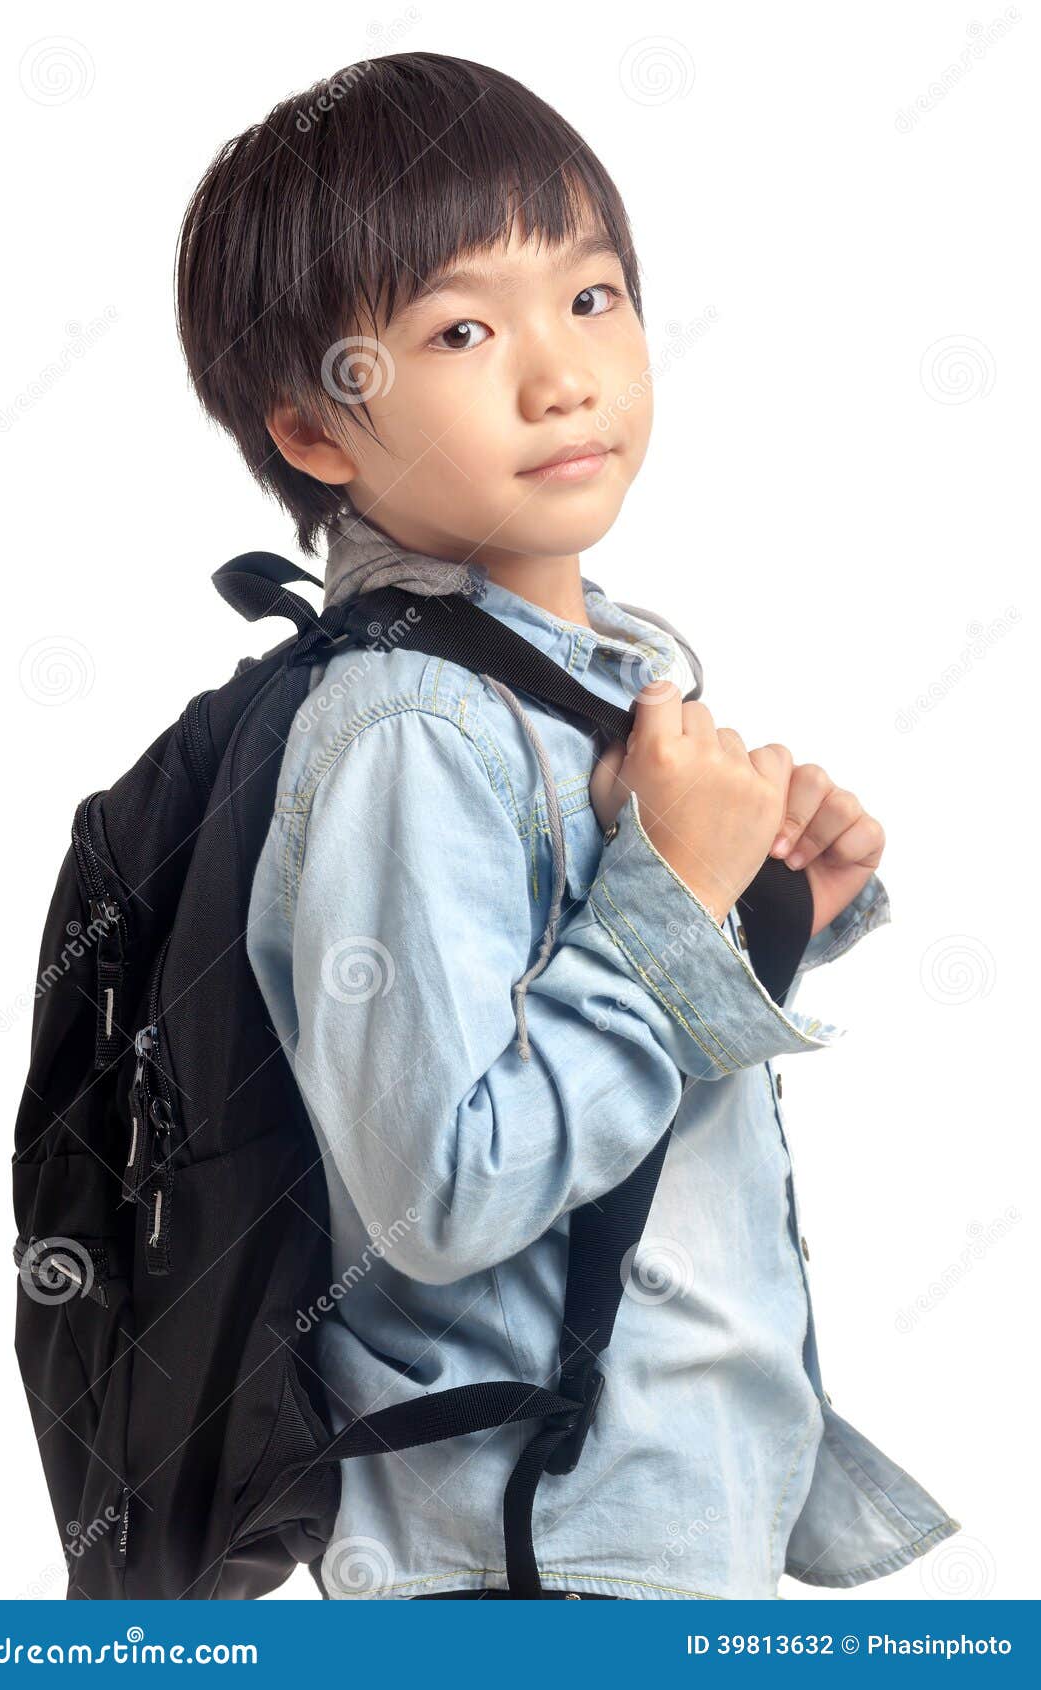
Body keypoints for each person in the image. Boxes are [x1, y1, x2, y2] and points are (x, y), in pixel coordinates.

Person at [175, 50, 958, 1600]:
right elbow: (443, 1192)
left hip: (660, 1511)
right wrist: (671, 892)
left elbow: (602, 1096)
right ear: (319, 435)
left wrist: (758, 906)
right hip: (528, 1555)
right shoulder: (408, 728)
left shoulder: (594, 672)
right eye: (462, 329)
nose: (560, 374)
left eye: (591, 298)